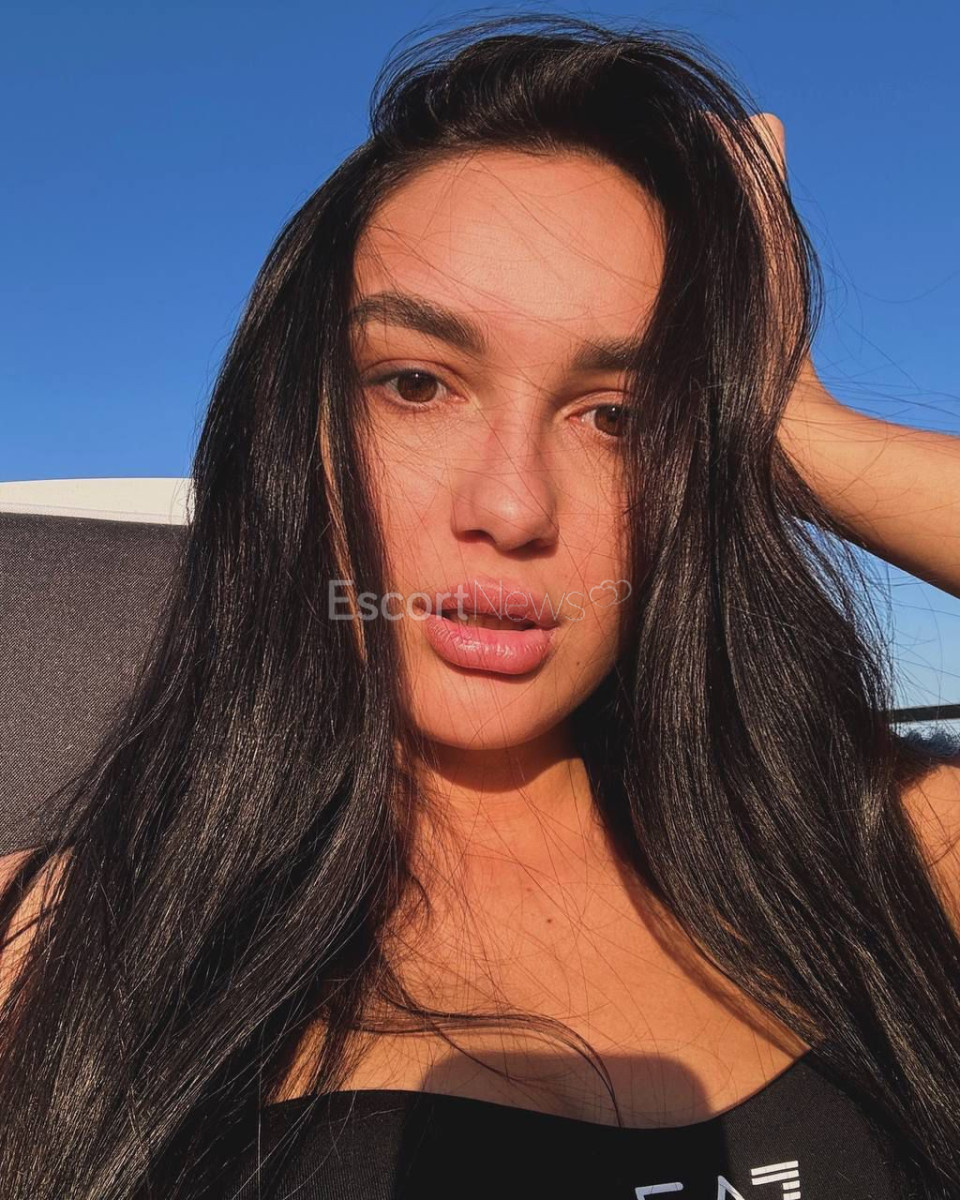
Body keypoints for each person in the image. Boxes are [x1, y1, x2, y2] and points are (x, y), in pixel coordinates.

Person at [0, 13, 958, 1200]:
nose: (512, 509)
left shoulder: (882, 849)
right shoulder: (49, 948)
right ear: (296, 433)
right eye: (415, 383)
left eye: (620, 417)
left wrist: (789, 428)